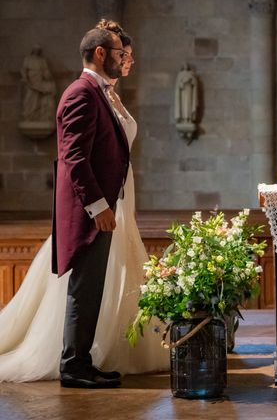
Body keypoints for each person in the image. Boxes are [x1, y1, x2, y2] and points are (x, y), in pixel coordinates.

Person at [0, 23, 167, 385]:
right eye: (121, 53)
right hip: (93, 208)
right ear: (100, 53)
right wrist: (98, 207)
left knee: (93, 285)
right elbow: (73, 157)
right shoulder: (81, 93)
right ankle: (74, 366)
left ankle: (82, 360)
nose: (126, 59)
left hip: (110, 202)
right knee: (85, 286)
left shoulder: (102, 92)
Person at [20, 44, 56, 122]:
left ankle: (38, 115)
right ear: (33, 50)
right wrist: (25, 78)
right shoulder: (28, 59)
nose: (37, 51)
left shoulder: (42, 60)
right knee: (29, 99)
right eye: (35, 49)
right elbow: (24, 70)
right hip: (30, 82)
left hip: (39, 81)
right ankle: (28, 115)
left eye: (38, 50)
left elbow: (46, 71)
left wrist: (48, 77)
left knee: (39, 97)